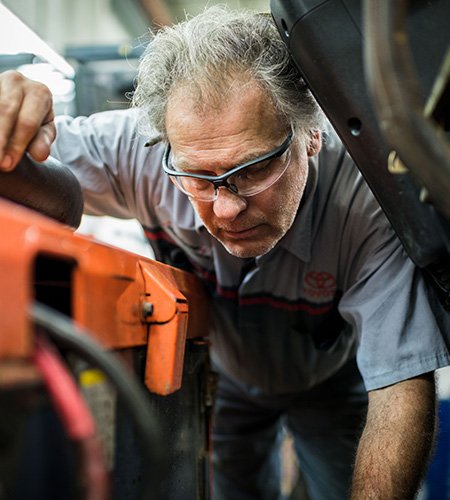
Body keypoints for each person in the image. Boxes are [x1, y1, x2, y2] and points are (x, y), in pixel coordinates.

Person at [1, 7, 449, 499]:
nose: (228, 208)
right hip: (229, 376)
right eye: (199, 178)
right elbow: (36, 172)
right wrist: (16, 123)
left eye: (253, 169)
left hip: (329, 383)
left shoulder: (366, 200)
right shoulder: (147, 148)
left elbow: (400, 385)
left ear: (312, 135)